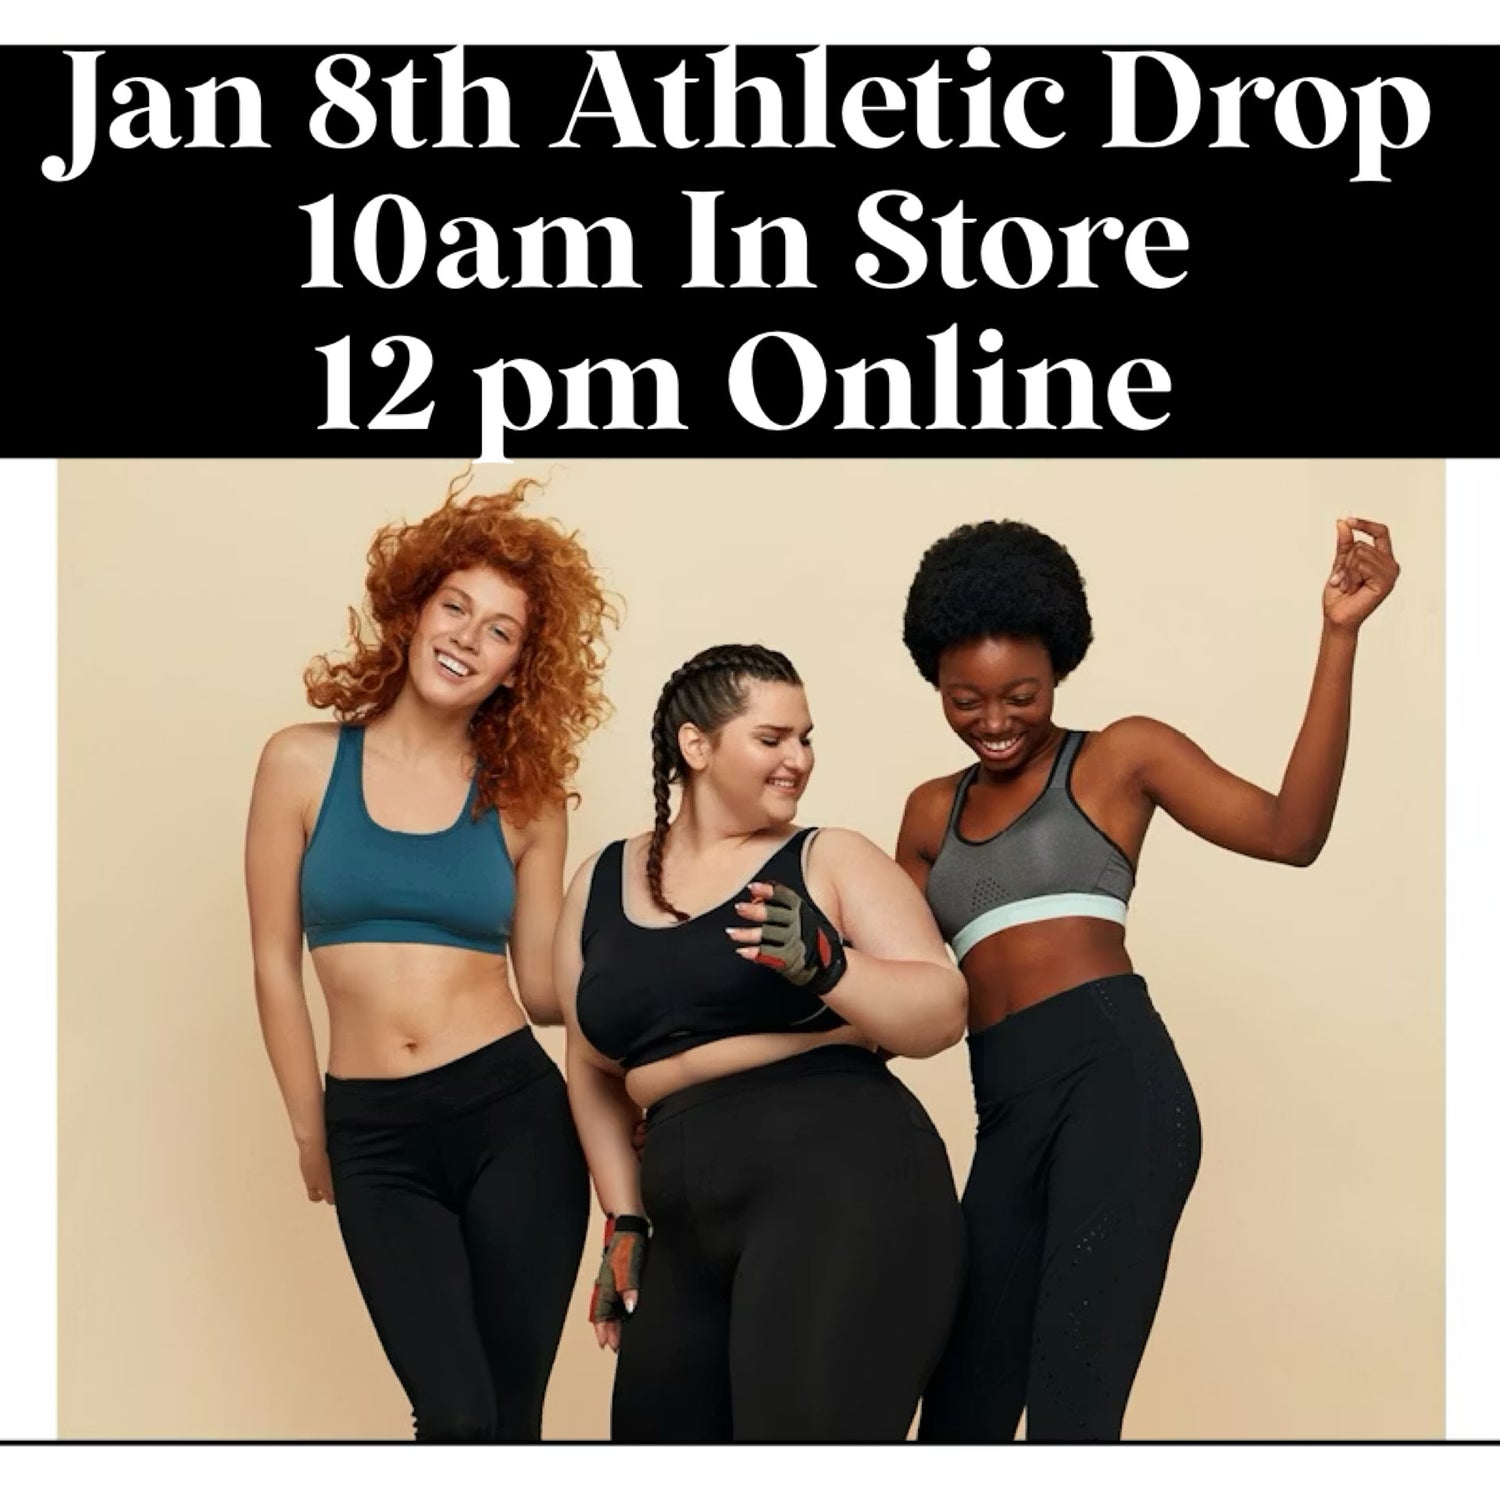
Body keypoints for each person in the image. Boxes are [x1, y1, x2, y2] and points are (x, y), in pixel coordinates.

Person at [897, 517, 1400, 1442]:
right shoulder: (931, 813)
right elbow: (890, 997)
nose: (997, 722)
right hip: (1003, 1115)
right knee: (958, 1421)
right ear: (935, 680)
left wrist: (1338, 636)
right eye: (966, 700)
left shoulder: (1121, 757)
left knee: (1070, 1411)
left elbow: (1292, 833)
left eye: (1023, 694)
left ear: (1061, 668)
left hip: (1116, 1090)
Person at [244, 475, 614, 1441]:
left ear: (518, 667)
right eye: (456, 607)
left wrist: (652, 953)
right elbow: (274, 963)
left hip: (514, 1119)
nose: (468, 638)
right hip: (371, 1130)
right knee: (451, 1415)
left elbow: (543, 993)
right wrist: (310, 1128)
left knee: (510, 1418)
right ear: (410, 614)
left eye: (501, 630)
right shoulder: (300, 761)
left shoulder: (529, 802)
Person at [555, 644, 969, 1441]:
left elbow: (941, 1008)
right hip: (679, 1206)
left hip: (837, 1173)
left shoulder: (828, 857)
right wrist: (624, 1220)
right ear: (696, 745)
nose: (798, 760)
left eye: (806, 739)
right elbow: (589, 1065)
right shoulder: (600, 879)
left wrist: (827, 966)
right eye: (772, 739)